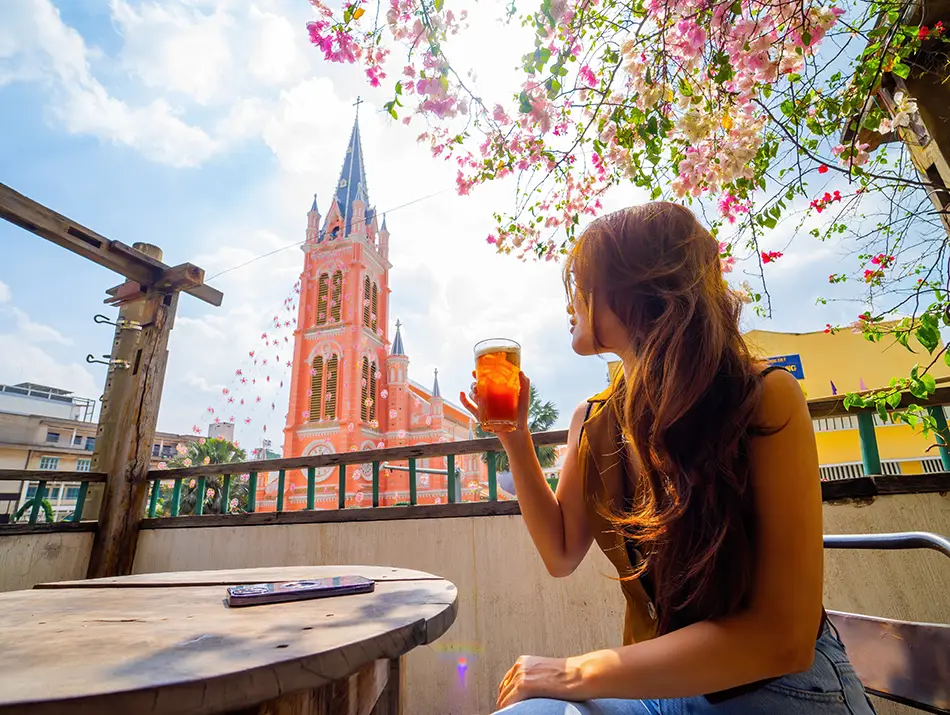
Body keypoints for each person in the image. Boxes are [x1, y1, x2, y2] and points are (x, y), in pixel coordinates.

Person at [460, 203, 874, 714]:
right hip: (663, 689)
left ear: (640, 291)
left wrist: (570, 671)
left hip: (780, 688)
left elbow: (782, 639)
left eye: (584, 284)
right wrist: (515, 437)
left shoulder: (761, 396)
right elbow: (561, 552)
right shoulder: (593, 420)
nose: (570, 303)